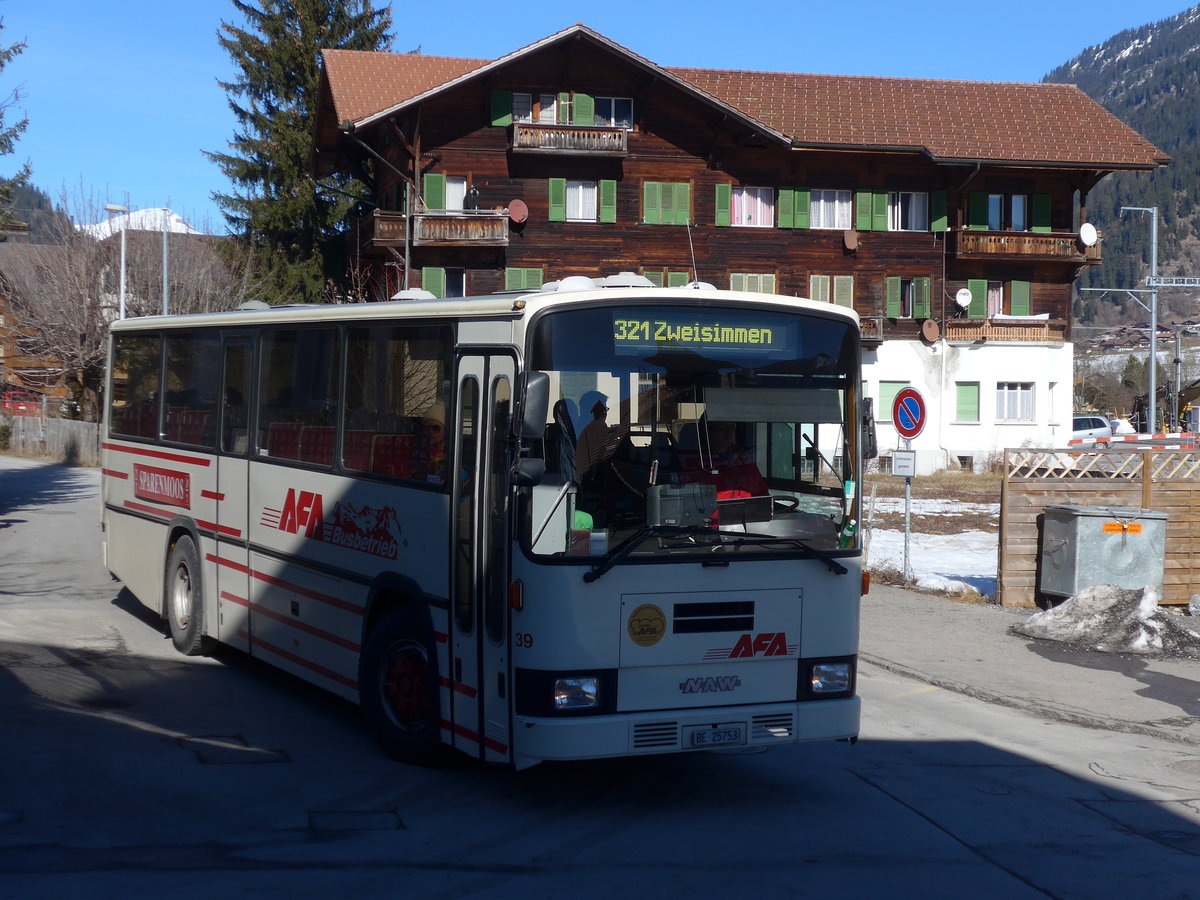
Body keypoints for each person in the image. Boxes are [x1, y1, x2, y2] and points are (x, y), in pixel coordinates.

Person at [683, 419, 769, 499]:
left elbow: (763, 499)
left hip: (746, 514)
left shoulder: (745, 462)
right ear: (707, 431)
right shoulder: (695, 464)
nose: (729, 433)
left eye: (731, 428)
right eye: (722, 429)